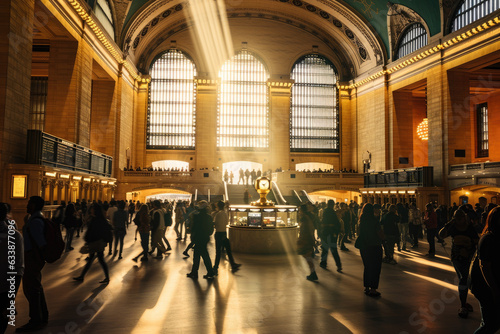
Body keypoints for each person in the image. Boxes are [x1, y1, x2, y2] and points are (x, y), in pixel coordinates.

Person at [16, 196, 49, 332]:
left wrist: (37, 259)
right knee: (36, 288)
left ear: (34, 205)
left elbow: (41, 243)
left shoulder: (35, 221)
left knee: (32, 289)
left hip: (32, 258)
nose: (27, 205)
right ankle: (42, 316)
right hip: (32, 257)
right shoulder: (35, 218)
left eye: (29, 203)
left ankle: (36, 320)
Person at [439, 208, 478, 318]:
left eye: (461, 217)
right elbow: (441, 235)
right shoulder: (453, 227)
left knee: (464, 279)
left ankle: (463, 302)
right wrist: (449, 223)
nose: (459, 219)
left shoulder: (470, 228)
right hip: (456, 257)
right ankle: (463, 305)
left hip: (468, 258)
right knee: (463, 279)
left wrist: (471, 252)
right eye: (457, 217)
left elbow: (476, 242)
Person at [73, 203, 111, 284]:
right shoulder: (96, 218)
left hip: (96, 242)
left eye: (92, 208)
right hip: (95, 242)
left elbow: (95, 231)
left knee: (98, 259)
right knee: (96, 259)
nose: (91, 210)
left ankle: (106, 277)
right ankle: (82, 276)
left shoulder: (98, 219)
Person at [1, 203, 24, 333]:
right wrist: (11, 300)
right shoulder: (15, 236)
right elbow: (18, 270)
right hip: (5, 290)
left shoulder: (13, 236)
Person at [356, 203, 384, 297]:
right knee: (375, 268)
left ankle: (366, 287)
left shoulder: (361, 221)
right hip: (375, 246)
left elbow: (358, 232)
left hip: (364, 246)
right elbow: (379, 233)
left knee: (367, 267)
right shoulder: (375, 221)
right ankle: (373, 289)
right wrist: (384, 239)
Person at [187, 201, 215, 279]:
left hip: (198, 238)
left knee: (198, 256)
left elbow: (194, 228)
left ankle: (196, 272)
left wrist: (193, 237)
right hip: (205, 238)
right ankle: (209, 272)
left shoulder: (197, 216)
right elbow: (211, 229)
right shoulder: (209, 217)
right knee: (203, 255)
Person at [213, 201, 241, 275]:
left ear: (218, 206)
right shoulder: (225, 214)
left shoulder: (218, 214)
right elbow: (226, 222)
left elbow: (216, 224)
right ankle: (233, 264)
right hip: (224, 233)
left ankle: (215, 267)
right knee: (228, 250)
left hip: (219, 233)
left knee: (218, 252)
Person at [319, 200, 342, 272]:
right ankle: (338, 265)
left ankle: (323, 263)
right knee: (334, 250)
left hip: (326, 233)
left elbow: (322, 223)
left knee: (325, 249)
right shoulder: (333, 213)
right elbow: (337, 224)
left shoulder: (325, 212)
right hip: (332, 234)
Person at [298, 203, 318, 281]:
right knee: (307, 257)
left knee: (308, 258)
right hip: (305, 240)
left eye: (300, 210)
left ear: (303, 211)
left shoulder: (306, 219)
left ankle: (313, 274)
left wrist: (312, 241)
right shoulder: (306, 218)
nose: (299, 212)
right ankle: (313, 273)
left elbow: (309, 230)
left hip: (306, 241)